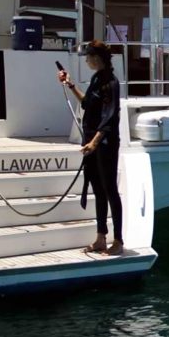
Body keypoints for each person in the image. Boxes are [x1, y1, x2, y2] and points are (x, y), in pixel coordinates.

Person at [57, 41, 124, 256]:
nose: (86, 60)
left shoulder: (111, 83)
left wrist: (94, 142)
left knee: (110, 189)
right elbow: (87, 104)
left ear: (97, 58)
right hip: (91, 144)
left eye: (88, 57)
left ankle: (119, 241)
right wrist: (70, 84)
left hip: (104, 144)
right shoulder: (96, 79)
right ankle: (101, 238)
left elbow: (110, 117)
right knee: (98, 189)